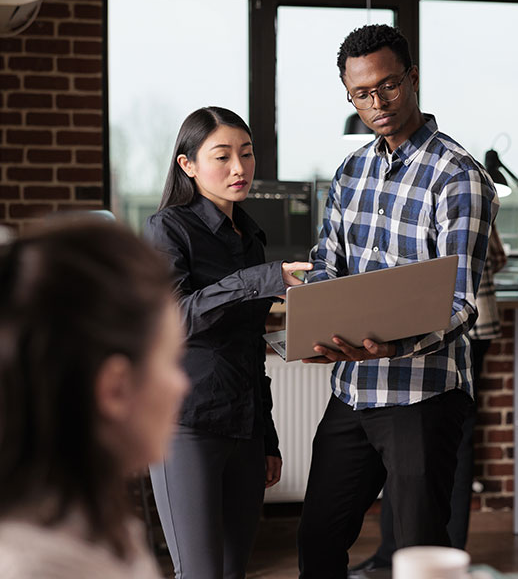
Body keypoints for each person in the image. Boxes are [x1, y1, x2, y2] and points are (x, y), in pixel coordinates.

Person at [296, 24, 499, 578]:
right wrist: (314, 317)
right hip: (353, 392)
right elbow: (325, 263)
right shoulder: (350, 171)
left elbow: (460, 302)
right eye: (362, 94)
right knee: (317, 542)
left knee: (418, 558)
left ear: (412, 78)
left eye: (388, 86)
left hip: (423, 396)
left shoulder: (458, 178)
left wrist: (389, 342)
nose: (377, 103)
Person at [144, 106, 312, 579]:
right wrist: (262, 280)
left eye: (247, 154)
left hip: (245, 426)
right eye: (222, 156)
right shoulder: (167, 229)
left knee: (233, 571)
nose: (239, 168)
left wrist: (269, 439)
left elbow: (248, 345)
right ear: (188, 165)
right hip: (187, 423)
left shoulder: (249, 237)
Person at [0, 218, 189, 579]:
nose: (183, 386)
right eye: (171, 361)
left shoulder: (101, 526)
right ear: (114, 388)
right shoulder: (39, 568)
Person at [348, 225, 507, 575]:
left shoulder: (459, 189)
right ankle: (422, 552)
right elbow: (498, 258)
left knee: (435, 442)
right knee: (436, 444)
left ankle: (424, 554)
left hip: (451, 331)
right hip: (472, 331)